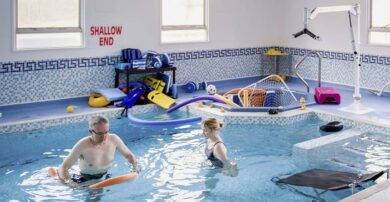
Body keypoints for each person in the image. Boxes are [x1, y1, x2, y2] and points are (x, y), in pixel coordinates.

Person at [59, 115, 138, 187]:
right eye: (100, 133)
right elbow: (64, 167)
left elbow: (129, 155)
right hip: (86, 179)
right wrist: (70, 183)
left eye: (106, 132)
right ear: (91, 131)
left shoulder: (114, 139)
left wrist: (135, 168)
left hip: (106, 175)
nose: (104, 137)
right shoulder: (82, 145)